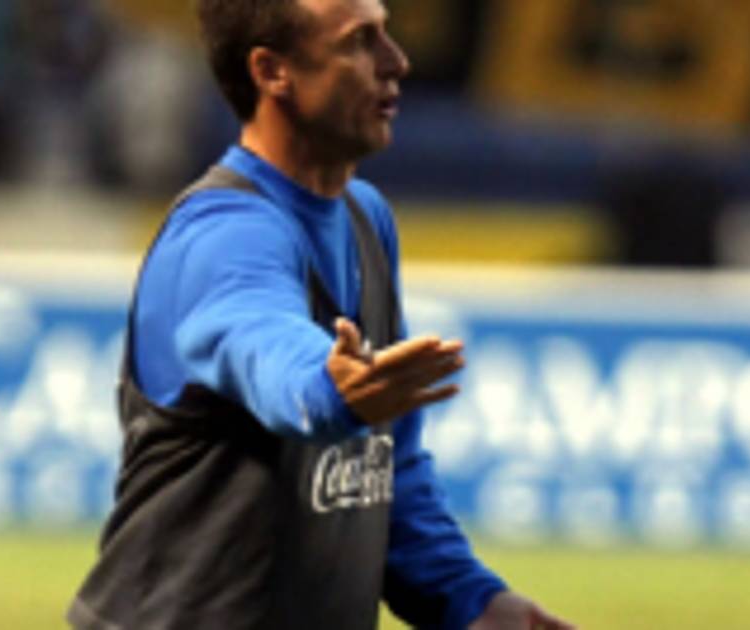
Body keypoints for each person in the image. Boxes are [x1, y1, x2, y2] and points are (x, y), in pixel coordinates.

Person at [68, 0, 574, 628]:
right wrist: (327, 389)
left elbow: (385, 477)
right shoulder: (224, 235)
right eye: (360, 42)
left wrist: (474, 603)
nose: (396, 62)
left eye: (387, 33)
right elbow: (260, 343)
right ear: (271, 71)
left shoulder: (364, 217)